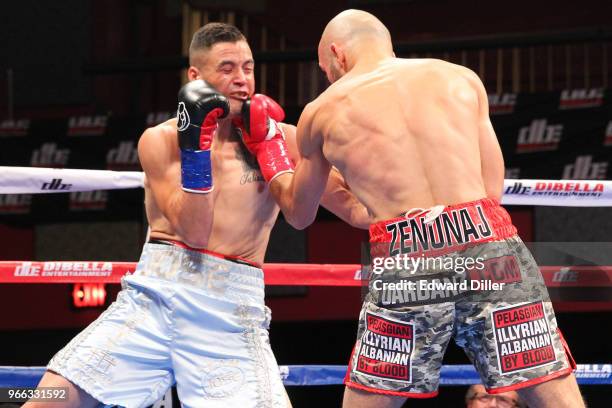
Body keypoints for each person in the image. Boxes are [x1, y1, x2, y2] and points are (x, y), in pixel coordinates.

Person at [235, 9, 585, 408]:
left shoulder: (324, 109)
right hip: (489, 244)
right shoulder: (460, 78)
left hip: (407, 255)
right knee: (554, 393)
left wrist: (271, 151)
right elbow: (492, 190)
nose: (328, 78)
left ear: (338, 54)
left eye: (325, 68)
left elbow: (299, 215)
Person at [25, 22, 369, 408]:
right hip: (154, 296)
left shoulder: (283, 138)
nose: (242, 80)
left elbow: (356, 210)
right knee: (45, 398)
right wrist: (196, 147)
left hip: (230, 309)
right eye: (227, 69)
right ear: (195, 77)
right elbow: (195, 230)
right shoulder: (162, 140)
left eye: (248, 68)